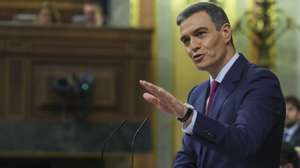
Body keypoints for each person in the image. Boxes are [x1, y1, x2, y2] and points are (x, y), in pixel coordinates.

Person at [139, 2, 285, 168]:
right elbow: (188, 155)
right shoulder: (197, 93)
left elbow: (244, 143)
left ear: (225, 33)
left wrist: (187, 116)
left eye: (200, 34)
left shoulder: (260, 82)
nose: (193, 46)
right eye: (186, 40)